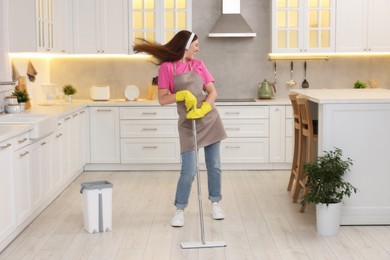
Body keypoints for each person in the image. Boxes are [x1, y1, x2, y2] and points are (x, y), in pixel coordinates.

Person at [133, 30, 227, 227]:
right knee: (189, 170)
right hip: (187, 124)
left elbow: (212, 92)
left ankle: (215, 203)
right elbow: (162, 99)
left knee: (214, 166)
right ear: (186, 45)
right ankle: (180, 209)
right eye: (196, 45)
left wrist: (203, 109)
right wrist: (182, 95)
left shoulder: (198, 65)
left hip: (208, 120)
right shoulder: (167, 68)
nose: (198, 49)